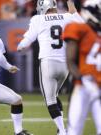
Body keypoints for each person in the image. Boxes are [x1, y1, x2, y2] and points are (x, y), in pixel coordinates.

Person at [17, 0, 83, 135]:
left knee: (50, 99)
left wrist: (21, 46)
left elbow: (28, 39)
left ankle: (63, 131)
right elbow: (81, 23)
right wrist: (70, 3)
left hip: (48, 63)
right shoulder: (66, 16)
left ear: (42, 7)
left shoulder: (38, 19)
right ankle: (61, 130)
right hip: (65, 65)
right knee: (55, 95)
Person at [62, 0, 101, 135]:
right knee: (74, 130)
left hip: (99, 87)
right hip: (82, 86)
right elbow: (70, 60)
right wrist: (83, 78)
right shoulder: (79, 28)